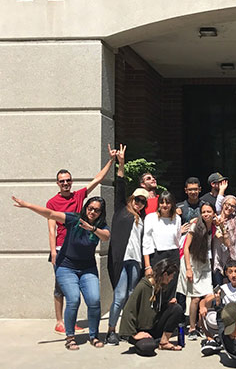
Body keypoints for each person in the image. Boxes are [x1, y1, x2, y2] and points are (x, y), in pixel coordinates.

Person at [13, 194, 110, 350]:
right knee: (73, 299)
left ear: (101, 213)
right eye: (90, 208)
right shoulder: (74, 219)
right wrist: (28, 205)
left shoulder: (101, 226)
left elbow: (106, 237)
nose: (92, 212)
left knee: (94, 300)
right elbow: (51, 214)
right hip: (66, 266)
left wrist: (92, 228)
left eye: (96, 210)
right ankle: (70, 337)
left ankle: (94, 335)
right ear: (86, 207)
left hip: (88, 268)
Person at [46, 144, 116, 334]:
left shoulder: (79, 196)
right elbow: (51, 229)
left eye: (68, 180)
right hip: (62, 247)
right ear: (57, 183)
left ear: (72, 181)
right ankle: (60, 321)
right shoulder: (53, 202)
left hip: (79, 246)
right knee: (61, 286)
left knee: (73, 290)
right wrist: (53, 251)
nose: (66, 183)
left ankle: (69, 321)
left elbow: (98, 178)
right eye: (62, 181)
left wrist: (111, 160)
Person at [106, 144, 150, 345]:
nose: (139, 203)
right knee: (120, 296)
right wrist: (120, 163)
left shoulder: (142, 218)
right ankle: (111, 330)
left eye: (143, 201)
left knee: (132, 297)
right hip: (122, 260)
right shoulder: (121, 210)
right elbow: (120, 184)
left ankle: (127, 330)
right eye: (137, 199)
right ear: (132, 198)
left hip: (135, 261)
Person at [119, 259, 184, 352]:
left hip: (154, 326)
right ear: (165, 275)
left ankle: (163, 342)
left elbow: (155, 307)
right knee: (148, 347)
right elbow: (128, 309)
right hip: (141, 330)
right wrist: (133, 334)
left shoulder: (159, 285)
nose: (171, 279)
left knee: (176, 309)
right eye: (171, 276)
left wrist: (168, 305)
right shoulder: (143, 286)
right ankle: (144, 342)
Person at [177, 202, 214, 341]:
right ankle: (192, 328)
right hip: (192, 262)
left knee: (208, 296)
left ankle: (201, 324)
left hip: (205, 263)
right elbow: (186, 247)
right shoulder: (195, 226)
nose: (206, 214)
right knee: (195, 297)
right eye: (204, 212)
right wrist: (188, 268)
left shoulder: (215, 226)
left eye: (209, 211)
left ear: (213, 213)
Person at [142, 191, 181, 302]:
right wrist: (147, 266)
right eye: (162, 202)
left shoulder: (177, 219)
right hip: (157, 255)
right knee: (157, 287)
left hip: (173, 255)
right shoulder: (151, 218)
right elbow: (146, 241)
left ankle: (168, 315)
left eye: (168, 202)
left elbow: (177, 238)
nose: (165, 205)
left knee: (171, 288)